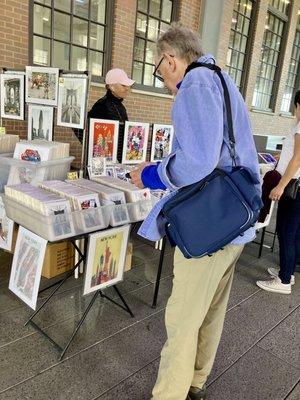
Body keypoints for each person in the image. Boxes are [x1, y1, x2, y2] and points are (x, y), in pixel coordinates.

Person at [129, 24, 260, 400]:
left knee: (183, 318)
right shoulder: (221, 78)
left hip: (208, 226)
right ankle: (196, 383)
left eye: (158, 70)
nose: (164, 79)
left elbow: (199, 161)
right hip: (234, 218)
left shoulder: (195, 84)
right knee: (211, 311)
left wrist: (152, 172)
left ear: (170, 61)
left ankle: (168, 395)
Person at [256, 90, 300, 295]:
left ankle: (283, 281)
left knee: (286, 232)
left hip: (293, 187)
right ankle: (287, 271)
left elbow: (297, 159)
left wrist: (281, 186)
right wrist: (277, 156)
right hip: (297, 186)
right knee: (293, 232)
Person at [74, 69, 134, 161]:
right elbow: (85, 131)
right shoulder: (102, 105)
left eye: (127, 86)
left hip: (118, 158)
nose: (127, 88)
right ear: (111, 87)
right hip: (104, 160)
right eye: (123, 85)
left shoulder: (120, 106)